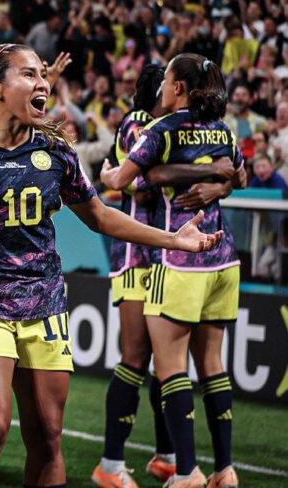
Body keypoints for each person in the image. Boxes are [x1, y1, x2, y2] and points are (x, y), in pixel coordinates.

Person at [0, 42, 222, 488]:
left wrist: (173, 238)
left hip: (44, 301)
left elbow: (100, 216)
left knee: (48, 436)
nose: (43, 83)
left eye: (42, 75)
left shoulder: (56, 149)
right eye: (29, 74)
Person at [102, 54, 247, 488]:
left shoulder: (161, 128)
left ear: (178, 87)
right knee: (212, 364)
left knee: (168, 367)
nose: (163, 87)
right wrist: (217, 177)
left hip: (179, 258)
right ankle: (224, 469)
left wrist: (108, 174)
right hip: (223, 258)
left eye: (167, 80)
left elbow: (124, 181)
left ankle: (185, 471)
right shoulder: (222, 129)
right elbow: (239, 175)